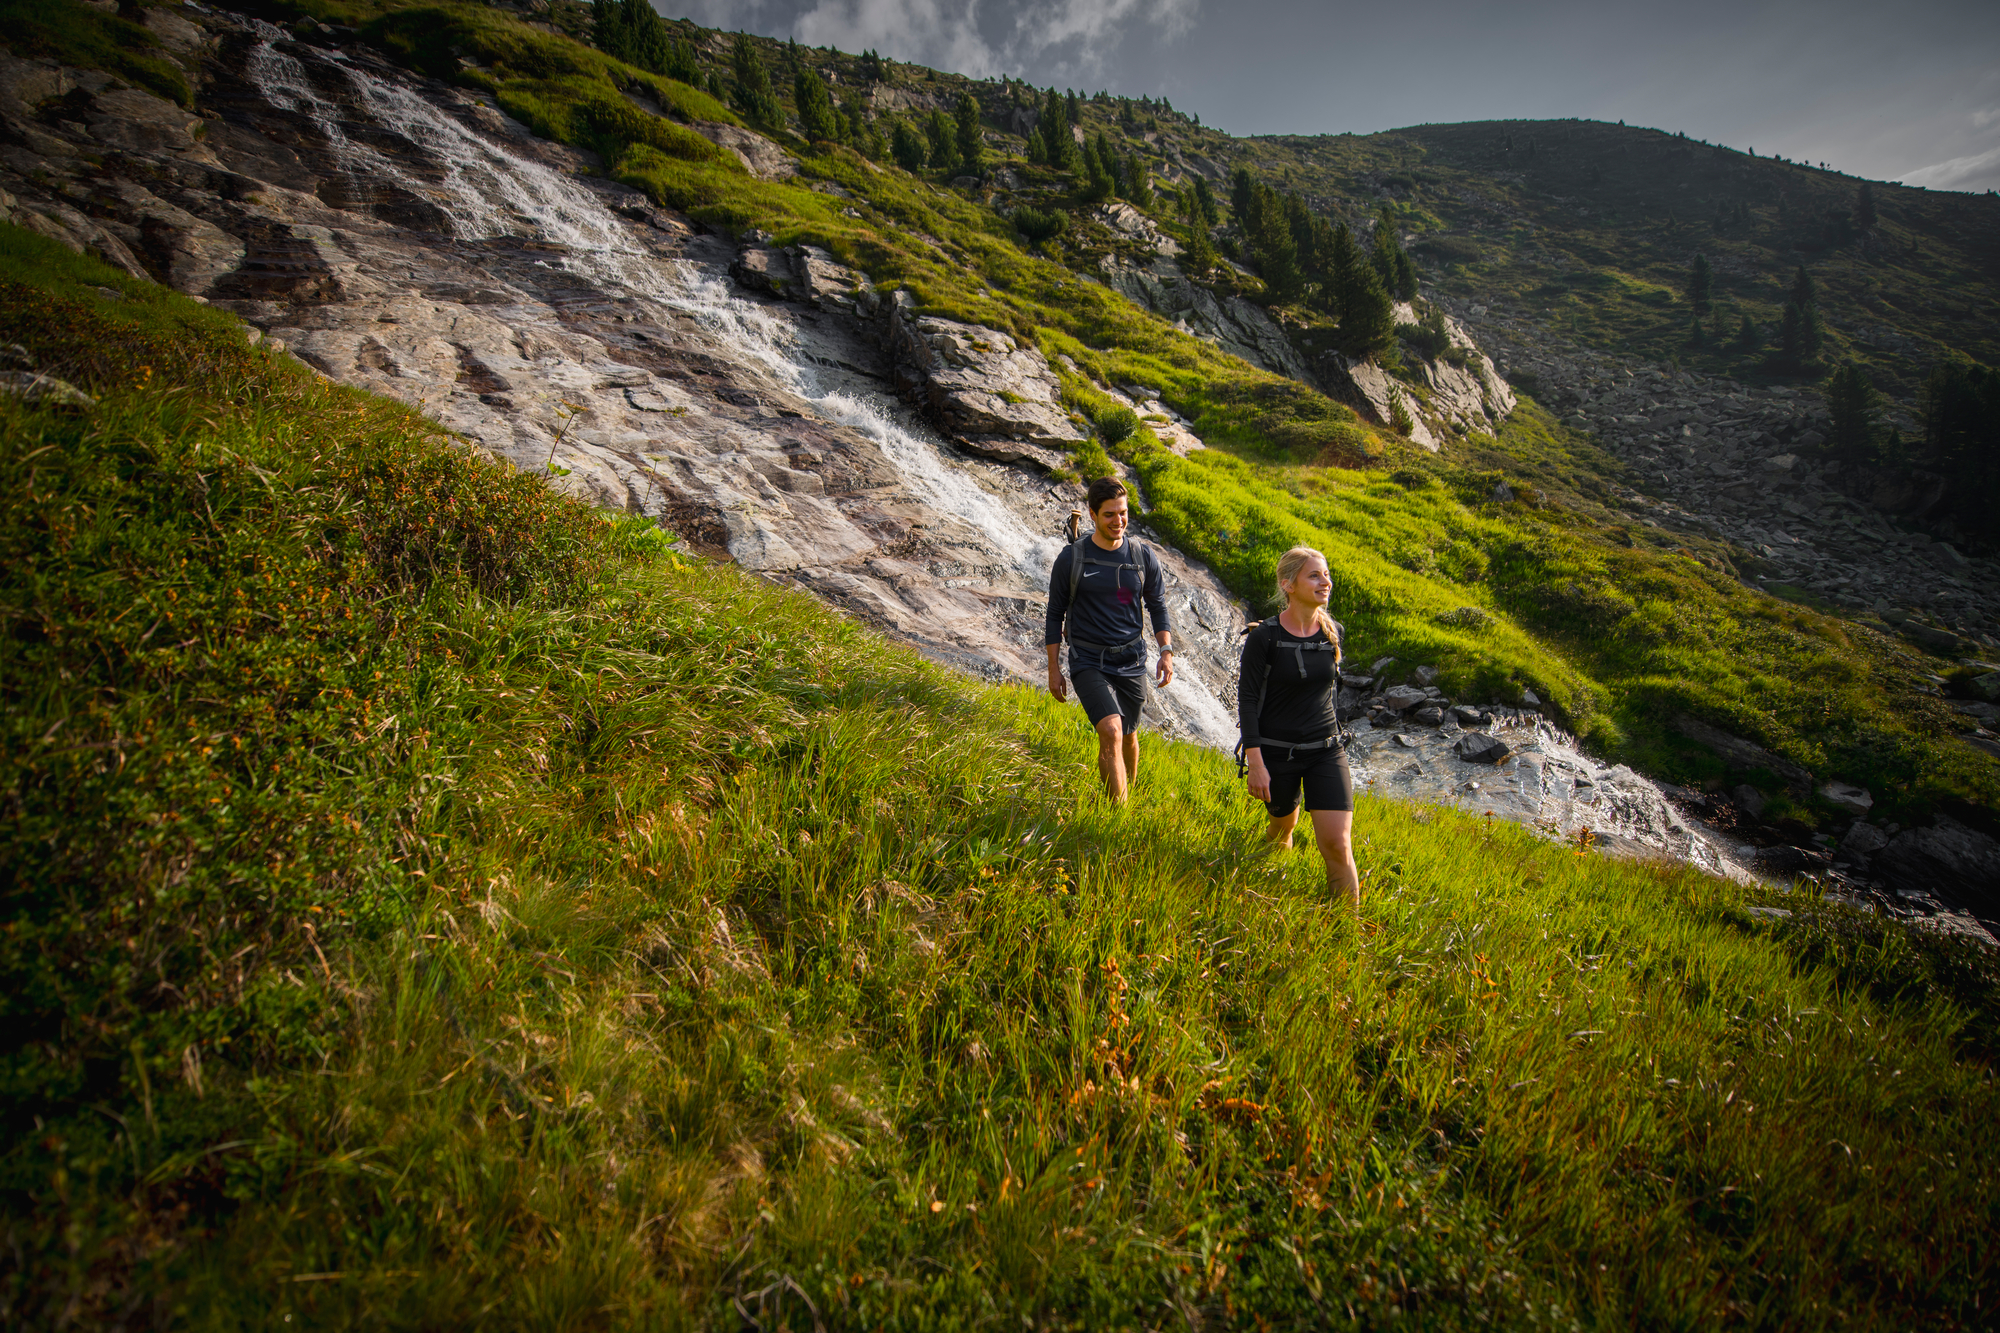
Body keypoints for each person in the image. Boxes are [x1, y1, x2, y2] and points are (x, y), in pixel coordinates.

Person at [1237, 546, 1361, 908]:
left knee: (1338, 844)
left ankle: (1346, 931)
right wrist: (1255, 763)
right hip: (1277, 753)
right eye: (1314, 575)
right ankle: (1270, 890)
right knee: (1281, 830)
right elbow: (1246, 702)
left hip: (1326, 752)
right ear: (1287, 584)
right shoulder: (1265, 638)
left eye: (1326, 574)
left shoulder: (1331, 632)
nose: (1326, 582)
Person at [1044, 477, 1174, 804]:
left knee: (1129, 736)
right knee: (1111, 731)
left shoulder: (1143, 556)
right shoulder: (1071, 559)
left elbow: (1157, 606)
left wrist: (1166, 651)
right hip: (1088, 660)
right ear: (1092, 514)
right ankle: (1116, 815)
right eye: (1109, 515)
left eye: (1123, 513)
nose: (1119, 521)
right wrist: (1053, 669)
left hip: (1131, 658)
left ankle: (1127, 794)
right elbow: (1054, 613)